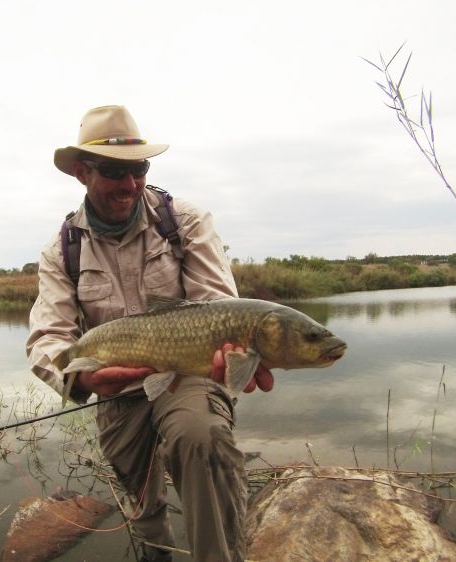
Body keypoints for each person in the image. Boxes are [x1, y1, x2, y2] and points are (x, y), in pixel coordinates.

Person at [26, 105, 274, 562]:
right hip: (116, 391)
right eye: (114, 171)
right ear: (81, 172)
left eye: (138, 168)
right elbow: (48, 339)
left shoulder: (184, 221)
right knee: (143, 510)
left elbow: (221, 306)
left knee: (201, 438)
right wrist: (82, 380)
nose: (130, 184)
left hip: (186, 374)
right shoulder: (62, 250)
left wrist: (237, 351)